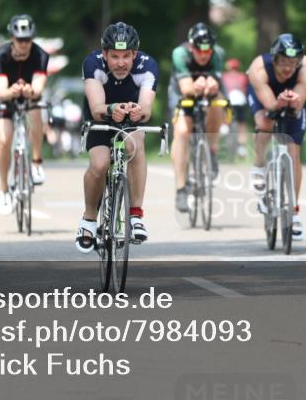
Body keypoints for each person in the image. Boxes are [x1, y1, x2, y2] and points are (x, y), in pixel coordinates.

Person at [76, 22, 159, 252]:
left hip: (130, 120)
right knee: (100, 164)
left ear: (135, 54)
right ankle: (89, 220)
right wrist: (112, 108)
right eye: (114, 56)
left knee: (135, 144)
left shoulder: (147, 65)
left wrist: (138, 112)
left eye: (126, 56)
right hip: (101, 117)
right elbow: (96, 107)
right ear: (105, 54)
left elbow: (147, 107)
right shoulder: (93, 63)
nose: (121, 63)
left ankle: (135, 215)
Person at [246, 33, 306, 240]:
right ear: (274, 59)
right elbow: (270, 107)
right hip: (265, 94)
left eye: (293, 63)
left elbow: (298, 105)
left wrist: (293, 101)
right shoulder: (258, 68)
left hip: (291, 97)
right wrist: (278, 103)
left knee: (294, 153)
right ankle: (259, 165)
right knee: (265, 122)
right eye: (284, 62)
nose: (288, 68)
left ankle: (294, 212)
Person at [0, 14, 50, 214]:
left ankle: (36, 161)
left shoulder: (40, 55)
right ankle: (3, 189)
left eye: (28, 40)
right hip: (7, 95)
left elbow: (39, 85)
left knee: (36, 115)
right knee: (4, 139)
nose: (24, 44)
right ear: (12, 38)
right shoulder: (0, 55)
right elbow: (0, 90)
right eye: (20, 40)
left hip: (29, 93)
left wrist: (30, 91)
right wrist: (12, 91)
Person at [169, 22, 225, 213]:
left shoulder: (218, 54)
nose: (203, 55)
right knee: (183, 131)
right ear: (191, 47)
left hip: (206, 90)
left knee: (218, 105)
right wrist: (198, 85)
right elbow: (186, 89)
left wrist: (211, 86)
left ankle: (211, 149)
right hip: (181, 91)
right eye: (199, 51)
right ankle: (181, 188)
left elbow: (216, 84)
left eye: (207, 51)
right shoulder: (180, 54)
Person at [222, 58, 250, 159]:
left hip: (229, 100)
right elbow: (245, 89)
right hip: (241, 101)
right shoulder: (243, 76)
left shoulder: (224, 76)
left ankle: (224, 126)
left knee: (224, 115)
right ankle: (242, 147)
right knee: (241, 124)